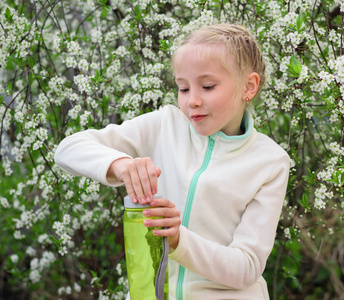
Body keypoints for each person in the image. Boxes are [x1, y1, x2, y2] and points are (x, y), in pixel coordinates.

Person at [54, 23, 290, 300]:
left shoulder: (270, 162)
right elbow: (67, 149)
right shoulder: (165, 125)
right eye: (183, 88)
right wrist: (120, 164)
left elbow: (246, 268)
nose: (193, 101)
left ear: (248, 86)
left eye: (208, 86)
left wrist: (179, 240)